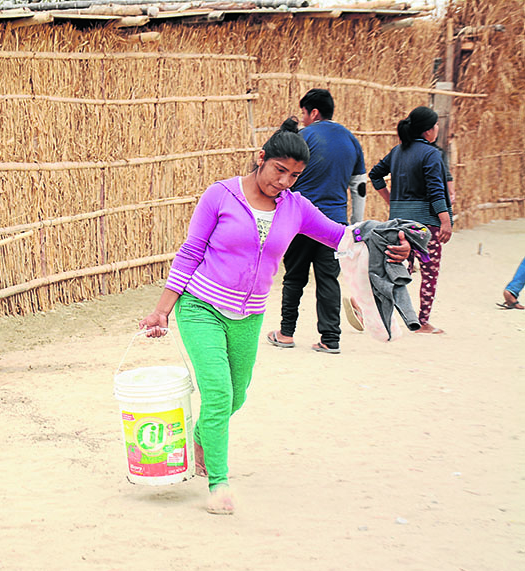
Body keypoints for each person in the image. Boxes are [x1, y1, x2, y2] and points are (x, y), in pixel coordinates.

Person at [139, 119, 411, 515]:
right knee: (217, 394)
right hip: (201, 307)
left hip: (248, 315)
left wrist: (389, 243)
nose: (284, 181)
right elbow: (190, 252)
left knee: (236, 396)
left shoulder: (296, 208)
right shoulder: (220, 196)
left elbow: (342, 236)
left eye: (294, 175)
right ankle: (218, 484)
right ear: (261, 159)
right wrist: (162, 310)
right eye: (279, 170)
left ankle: (201, 436)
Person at [268, 89, 367, 354]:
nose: (303, 118)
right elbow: (359, 186)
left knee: (294, 277)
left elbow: (284, 179)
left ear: (313, 112)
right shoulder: (351, 140)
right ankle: (330, 338)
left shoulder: (303, 138)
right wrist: (354, 225)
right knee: (328, 279)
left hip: (301, 221)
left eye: (304, 113)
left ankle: (286, 333)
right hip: (335, 226)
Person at [369, 106, 453, 334]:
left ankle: (367, 306)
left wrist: (390, 201)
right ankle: (422, 321)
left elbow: (375, 174)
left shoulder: (397, 151)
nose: (437, 129)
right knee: (429, 272)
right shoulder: (432, 154)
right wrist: (446, 221)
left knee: (393, 267)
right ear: (428, 131)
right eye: (435, 125)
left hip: (398, 224)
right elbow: (436, 191)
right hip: (426, 227)